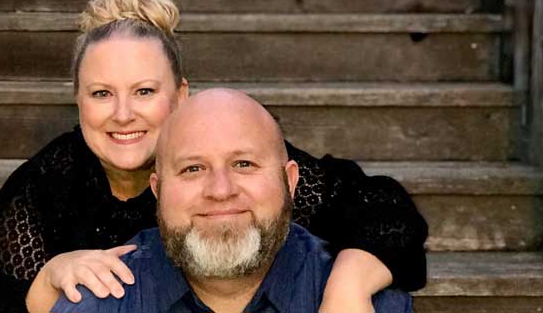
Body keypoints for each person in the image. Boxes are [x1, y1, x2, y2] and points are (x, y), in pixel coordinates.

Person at [0, 0, 427, 313]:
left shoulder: (234, 166)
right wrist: (49, 277)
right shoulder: (42, 188)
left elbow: (385, 213)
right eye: (102, 93)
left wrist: (348, 286)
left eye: (144, 91)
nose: (123, 114)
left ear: (182, 96)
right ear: (78, 101)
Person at [39, 88, 413, 313]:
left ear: (291, 181)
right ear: (157, 190)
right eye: (192, 169)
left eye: (244, 164)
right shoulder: (101, 303)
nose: (220, 190)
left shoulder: (368, 306)